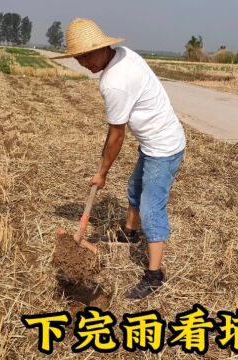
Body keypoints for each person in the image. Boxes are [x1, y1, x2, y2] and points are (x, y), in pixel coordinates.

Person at [53, 18, 186, 299]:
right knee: (134, 188)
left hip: (164, 147)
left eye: (88, 54)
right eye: (78, 56)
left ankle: (154, 275)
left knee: (152, 210)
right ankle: (129, 233)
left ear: (103, 47)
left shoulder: (114, 81)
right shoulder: (123, 56)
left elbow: (116, 136)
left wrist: (101, 173)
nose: (84, 62)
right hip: (152, 142)